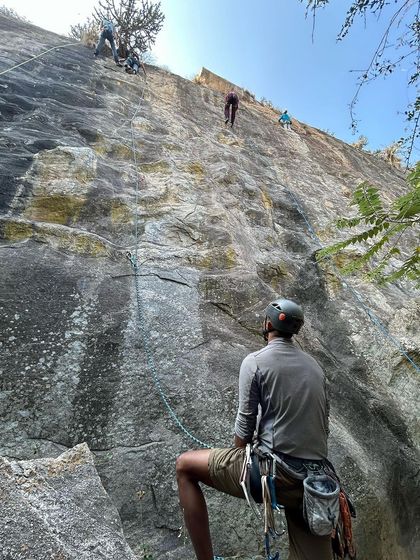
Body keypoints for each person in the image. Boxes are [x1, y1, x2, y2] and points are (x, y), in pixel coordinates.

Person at [176, 298, 335, 560]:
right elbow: (323, 424)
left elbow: (245, 422)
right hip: (314, 484)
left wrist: (238, 454)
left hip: (273, 474)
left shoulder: (256, 361)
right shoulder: (316, 368)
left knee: (184, 466)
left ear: (267, 323)